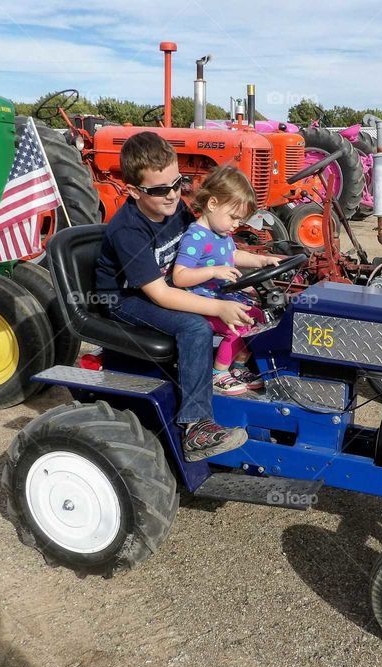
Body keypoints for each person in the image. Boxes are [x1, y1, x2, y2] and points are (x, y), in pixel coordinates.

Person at [95, 132, 253, 461]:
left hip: (165, 283)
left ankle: (233, 373)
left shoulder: (175, 208)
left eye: (177, 183)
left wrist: (258, 265)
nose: (172, 195)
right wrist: (217, 306)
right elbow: (161, 295)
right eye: (159, 190)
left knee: (247, 301)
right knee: (196, 327)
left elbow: (206, 249)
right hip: (125, 298)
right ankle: (196, 427)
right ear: (134, 191)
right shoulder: (128, 230)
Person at [172, 165, 279, 396]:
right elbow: (180, 276)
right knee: (237, 323)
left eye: (239, 221)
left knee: (258, 317)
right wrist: (213, 272)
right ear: (212, 204)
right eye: (233, 217)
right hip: (199, 302)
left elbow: (233, 256)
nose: (235, 225)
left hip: (219, 295)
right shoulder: (196, 236)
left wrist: (261, 261)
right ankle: (218, 372)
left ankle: (238, 365)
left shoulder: (222, 234)